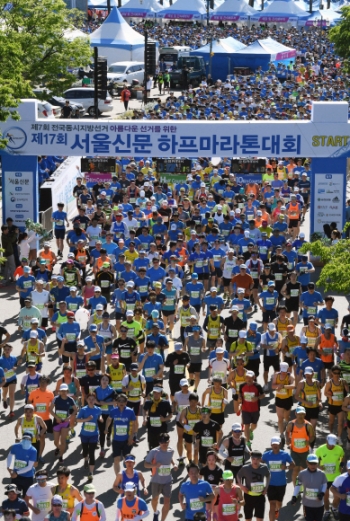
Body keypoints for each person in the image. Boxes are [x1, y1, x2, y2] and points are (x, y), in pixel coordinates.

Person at [144, 432, 177, 521]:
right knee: (155, 499)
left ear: (169, 441)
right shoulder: (154, 452)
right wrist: (155, 466)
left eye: (166, 442)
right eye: (162, 442)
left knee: (167, 502)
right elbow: (146, 465)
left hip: (167, 481)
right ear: (159, 442)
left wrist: (174, 464)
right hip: (156, 481)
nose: (164, 444)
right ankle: (155, 512)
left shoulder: (171, 451)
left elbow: (170, 459)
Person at [262, 436, 295, 521]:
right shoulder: (266, 455)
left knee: (279, 504)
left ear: (280, 444)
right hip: (270, 484)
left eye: (276, 444)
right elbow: (259, 461)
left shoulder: (285, 454)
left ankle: (277, 510)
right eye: (273, 444)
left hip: (281, 483)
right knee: (272, 504)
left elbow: (293, 464)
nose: (275, 446)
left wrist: (286, 467)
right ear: (271, 445)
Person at [105, 393, 136, 476]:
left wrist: (131, 437)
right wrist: (106, 428)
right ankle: (118, 477)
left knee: (127, 460)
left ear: (126, 402)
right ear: (116, 402)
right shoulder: (113, 411)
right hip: (116, 440)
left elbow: (134, 424)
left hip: (126, 439)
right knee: (116, 459)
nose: (121, 402)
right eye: (119, 401)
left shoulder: (130, 411)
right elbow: (109, 419)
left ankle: (128, 476)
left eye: (123, 401)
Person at [315, 433, 345, 519]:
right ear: (326, 441)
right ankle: (327, 511)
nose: (332, 446)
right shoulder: (320, 449)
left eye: (333, 444)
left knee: (337, 496)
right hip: (324, 477)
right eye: (330, 444)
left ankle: (334, 508)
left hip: (336, 477)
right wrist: (318, 466)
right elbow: (315, 459)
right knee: (325, 495)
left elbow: (342, 457)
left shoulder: (339, 449)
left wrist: (341, 466)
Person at [236, 450, 271, 521]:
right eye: (254, 459)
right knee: (248, 518)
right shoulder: (245, 468)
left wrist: (266, 487)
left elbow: (268, 475)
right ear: (251, 459)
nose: (255, 461)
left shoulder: (264, 468)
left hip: (260, 496)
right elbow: (238, 475)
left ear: (260, 459)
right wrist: (241, 486)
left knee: (260, 519)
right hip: (248, 496)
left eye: (257, 459)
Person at [76, 392, 103, 482]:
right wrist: (86, 419)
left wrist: (100, 418)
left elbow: (99, 415)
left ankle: (91, 472)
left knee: (92, 452)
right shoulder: (83, 410)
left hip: (94, 435)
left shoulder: (98, 409)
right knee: (85, 451)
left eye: (93, 399)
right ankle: (85, 459)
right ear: (86, 400)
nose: (91, 401)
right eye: (89, 399)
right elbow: (77, 420)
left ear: (95, 400)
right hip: (84, 434)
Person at [292, 454, 327, 521]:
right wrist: (294, 496)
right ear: (306, 462)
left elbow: (324, 484)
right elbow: (298, 485)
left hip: (319, 505)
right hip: (307, 505)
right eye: (311, 463)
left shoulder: (322, 473)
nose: (313, 465)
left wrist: (322, 493)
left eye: (315, 463)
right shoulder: (302, 473)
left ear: (317, 463)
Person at [285, 406, 315, 486]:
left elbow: (312, 436)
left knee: (303, 470)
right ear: (295, 414)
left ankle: (303, 486)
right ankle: (296, 488)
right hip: (294, 451)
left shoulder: (308, 425)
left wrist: (308, 442)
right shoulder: (291, 424)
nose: (300, 416)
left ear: (305, 414)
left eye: (302, 414)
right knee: (295, 470)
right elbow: (287, 432)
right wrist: (287, 439)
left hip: (305, 452)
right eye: (299, 414)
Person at [7, 432, 37, 497]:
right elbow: (10, 455)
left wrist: (16, 473)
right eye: (24, 438)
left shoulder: (33, 450)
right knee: (14, 496)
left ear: (31, 440)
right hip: (16, 477)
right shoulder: (15, 446)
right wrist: (9, 467)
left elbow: (29, 467)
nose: (26, 440)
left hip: (27, 477)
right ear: (22, 438)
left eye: (28, 439)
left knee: (26, 498)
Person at [238, 370, 265, 445]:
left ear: (254, 378)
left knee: (254, 424)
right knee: (246, 425)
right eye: (247, 377)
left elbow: (263, 395)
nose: (248, 379)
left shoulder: (257, 386)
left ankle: (251, 431)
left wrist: (257, 397)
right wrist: (240, 397)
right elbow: (240, 393)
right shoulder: (242, 386)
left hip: (255, 410)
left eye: (250, 378)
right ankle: (247, 441)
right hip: (245, 409)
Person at [324, 364, 348, 443]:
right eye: (335, 373)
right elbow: (325, 393)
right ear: (332, 373)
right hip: (332, 405)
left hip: (341, 406)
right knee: (331, 422)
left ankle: (339, 437)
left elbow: (348, 392)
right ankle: (330, 434)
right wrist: (331, 397)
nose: (337, 375)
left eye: (338, 373)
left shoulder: (343, 382)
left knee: (340, 423)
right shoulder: (329, 383)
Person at [271, 361, 295, 437]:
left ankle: (287, 426)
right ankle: (281, 434)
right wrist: (278, 386)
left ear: (287, 370)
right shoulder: (276, 375)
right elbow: (273, 386)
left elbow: (293, 386)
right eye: (282, 371)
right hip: (279, 399)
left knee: (286, 417)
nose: (283, 373)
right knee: (280, 418)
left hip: (288, 399)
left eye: (285, 371)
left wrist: (284, 386)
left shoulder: (291, 376)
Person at [199, 451, 223, 520]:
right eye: (209, 460)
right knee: (208, 511)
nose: (211, 461)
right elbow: (199, 480)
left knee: (215, 512)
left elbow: (222, 482)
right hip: (207, 493)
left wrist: (217, 487)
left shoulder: (219, 470)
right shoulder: (204, 469)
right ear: (207, 460)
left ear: (215, 459)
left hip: (216, 493)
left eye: (213, 460)